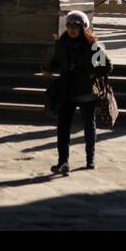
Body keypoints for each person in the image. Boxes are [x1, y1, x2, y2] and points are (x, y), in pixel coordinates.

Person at [45, 10, 111, 175]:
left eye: (76, 26)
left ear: (83, 28)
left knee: (89, 125)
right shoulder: (62, 43)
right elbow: (56, 61)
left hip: (86, 90)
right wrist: (49, 69)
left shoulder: (93, 46)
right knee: (63, 127)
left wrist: (94, 73)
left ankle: (90, 159)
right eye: (69, 26)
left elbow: (107, 67)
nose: (72, 29)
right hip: (67, 90)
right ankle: (63, 162)